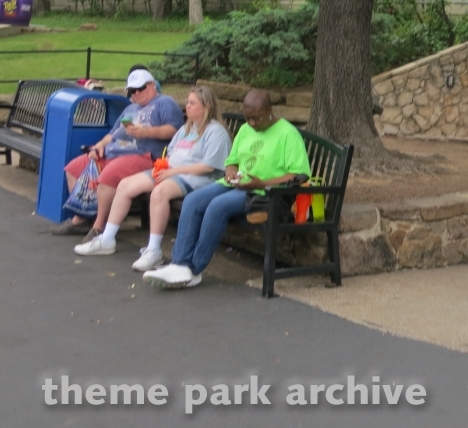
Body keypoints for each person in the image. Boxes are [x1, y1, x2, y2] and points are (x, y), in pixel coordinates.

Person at [143, 89, 310, 290]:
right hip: (236, 184)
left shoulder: (288, 134)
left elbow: (299, 175)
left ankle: (194, 269)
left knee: (217, 207)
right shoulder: (246, 129)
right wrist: (231, 172)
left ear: (269, 111)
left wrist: (260, 183)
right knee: (193, 201)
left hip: (263, 192)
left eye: (256, 118)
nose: (252, 124)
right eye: (248, 118)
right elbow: (232, 161)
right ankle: (180, 263)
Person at [73, 86, 232, 269]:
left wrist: (172, 172)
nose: (187, 107)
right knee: (125, 184)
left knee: (159, 192)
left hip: (196, 177)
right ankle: (107, 239)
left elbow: (209, 166)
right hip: (171, 171)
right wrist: (162, 166)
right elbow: (171, 153)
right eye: (187, 102)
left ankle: (153, 250)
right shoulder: (187, 129)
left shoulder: (215, 132)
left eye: (192, 103)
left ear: (207, 106)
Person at [51, 69, 184, 239]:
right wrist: (98, 146)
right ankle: (82, 218)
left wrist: (146, 132)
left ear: (152, 85)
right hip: (114, 151)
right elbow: (112, 134)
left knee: (108, 175)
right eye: (132, 90)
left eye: (140, 88)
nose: (136, 93)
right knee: (74, 168)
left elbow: (174, 130)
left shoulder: (164, 102)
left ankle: (99, 227)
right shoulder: (130, 108)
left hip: (145, 155)